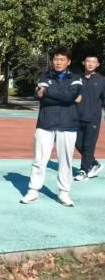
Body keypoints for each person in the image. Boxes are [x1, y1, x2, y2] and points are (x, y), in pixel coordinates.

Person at [21, 48, 82, 207]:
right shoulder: (44, 76)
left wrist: (48, 91)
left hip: (68, 124)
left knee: (66, 161)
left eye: (62, 59)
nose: (58, 62)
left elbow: (69, 96)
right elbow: (40, 96)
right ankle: (33, 191)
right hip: (45, 123)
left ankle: (64, 193)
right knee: (39, 160)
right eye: (56, 59)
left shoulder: (76, 78)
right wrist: (65, 96)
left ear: (68, 62)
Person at [74, 54, 105, 181]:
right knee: (77, 143)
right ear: (83, 62)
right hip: (76, 117)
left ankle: (84, 170)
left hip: (93, 118)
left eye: (93, 62)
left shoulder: (102, 80)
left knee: (88, 145)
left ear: (97, 65)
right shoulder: (76, 78)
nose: (90, 64)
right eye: (88, 61)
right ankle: (94, 163)